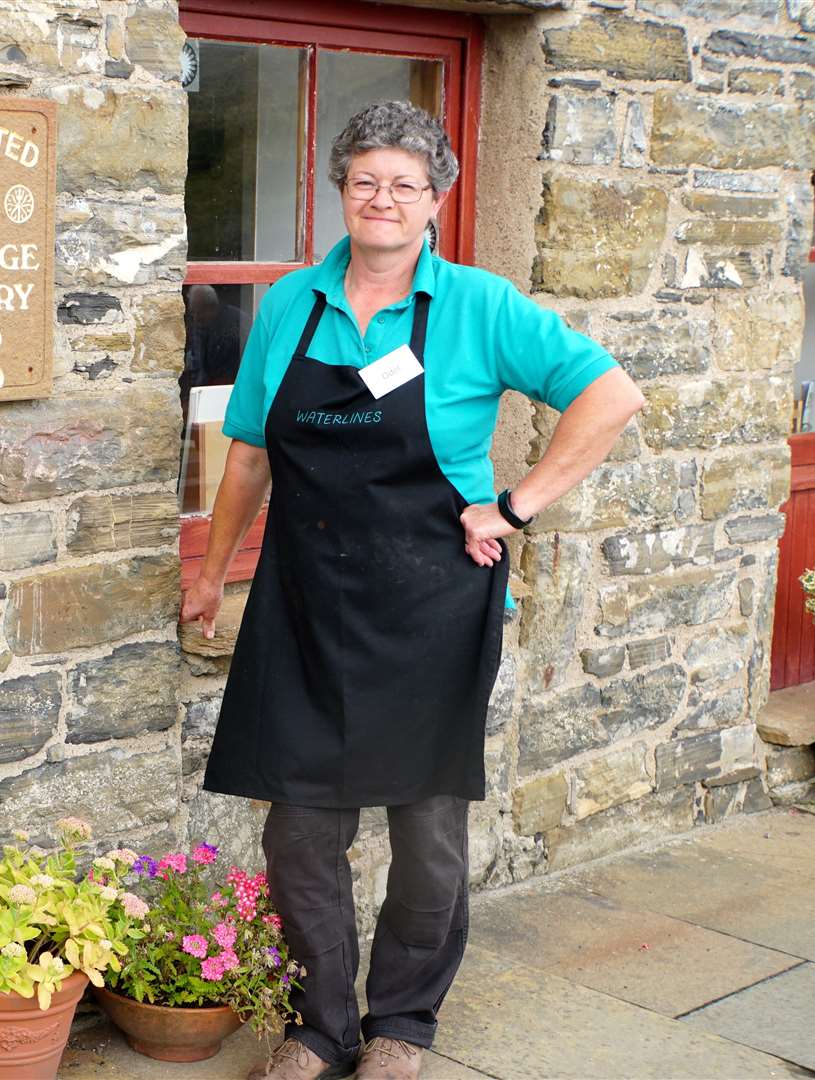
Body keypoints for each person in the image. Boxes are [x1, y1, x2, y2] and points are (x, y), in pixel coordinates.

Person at [180, 100, 644, 1080]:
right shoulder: (292, 307)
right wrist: (214, 574)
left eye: (404, 183)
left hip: (433, 604)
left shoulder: (478, 305)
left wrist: (513, 507)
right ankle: (318, 1026)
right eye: (363, 181)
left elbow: (610, 396)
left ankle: (402, 1024)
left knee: (427, 839)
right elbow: (251, 454)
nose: (382, 198)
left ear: (436, 198)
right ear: (340, 191)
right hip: (304, 604)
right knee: (299, 839)